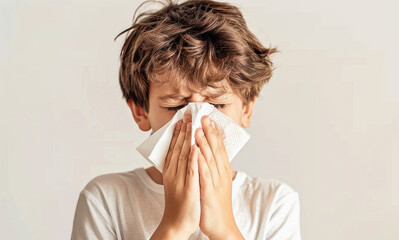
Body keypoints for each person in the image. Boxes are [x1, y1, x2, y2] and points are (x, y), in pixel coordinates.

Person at [71, 0, 301, 239]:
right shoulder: (105, 200)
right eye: (176, 106)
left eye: (217, 105)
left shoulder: (274, 203)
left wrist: (223, 227)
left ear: (246, 111)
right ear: (141, 111)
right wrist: (174, 226)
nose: (198, 123)